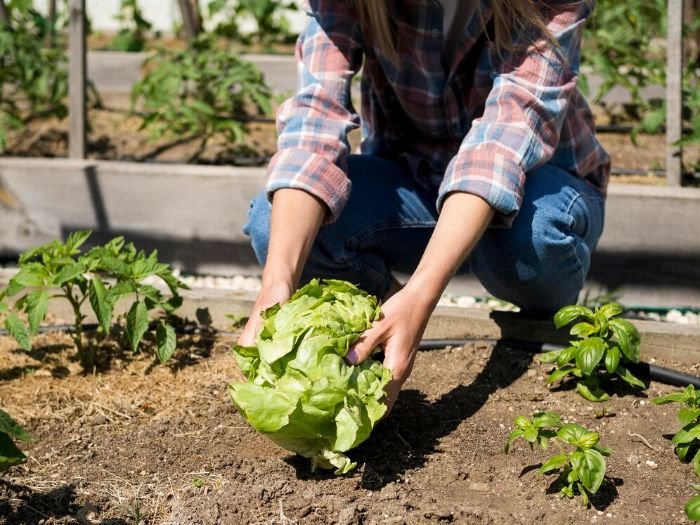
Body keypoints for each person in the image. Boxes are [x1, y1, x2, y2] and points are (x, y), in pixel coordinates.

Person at [239, 0, 610, 411]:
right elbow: (315, 119)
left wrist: (423, 292)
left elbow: (504, 139)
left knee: (531, 239)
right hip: (416, 183)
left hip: (537, 188)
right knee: (272, 224)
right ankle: (387, 321)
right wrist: (275, 285)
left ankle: (538, 324)